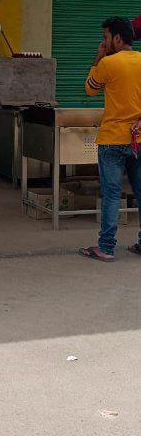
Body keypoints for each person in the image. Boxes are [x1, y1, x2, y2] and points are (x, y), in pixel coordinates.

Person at [80, 16, 141, 261]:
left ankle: (106, 247)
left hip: (113, 139)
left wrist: (99, 57)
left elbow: (90, 88)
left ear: (117, 38)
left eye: (106, 37)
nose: (104, 42)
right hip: (139, 139)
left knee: (112, 194)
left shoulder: (109, 63)